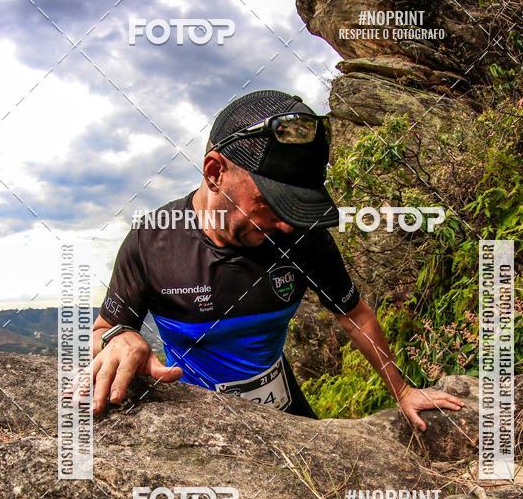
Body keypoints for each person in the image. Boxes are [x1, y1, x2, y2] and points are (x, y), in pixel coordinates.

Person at [91, 89, 464, 429]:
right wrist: (119, 337)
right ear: (215, 172)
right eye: (270, 203)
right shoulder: (152, 241)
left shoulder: (300, 234)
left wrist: (402, 391)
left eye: (296, 207)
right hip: (197, 414)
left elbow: (354, 314)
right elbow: (101, 332)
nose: (285, 223)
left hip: (284, 406)